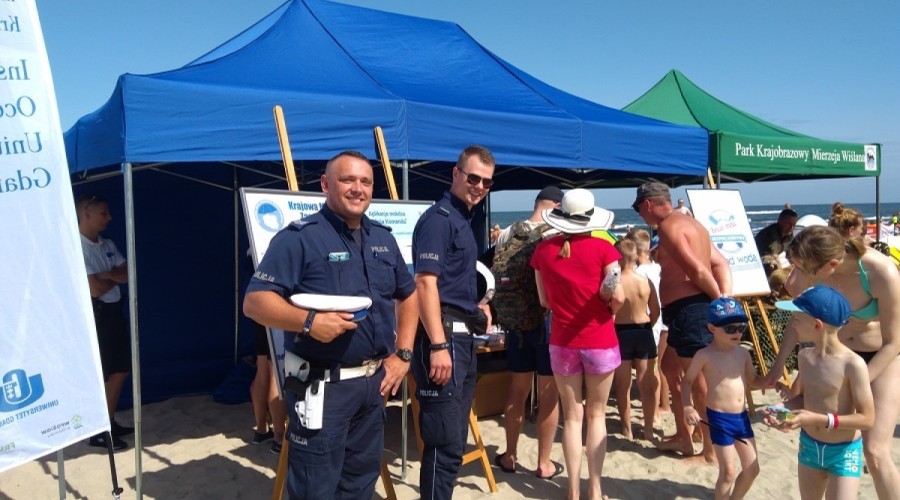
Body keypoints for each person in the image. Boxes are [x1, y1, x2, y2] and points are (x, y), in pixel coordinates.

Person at [243, 151, 418, 499]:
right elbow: (255, 302)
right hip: (323, 390)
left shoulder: (383, 238)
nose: (358, 188)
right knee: (315, 489)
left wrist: (404, 354)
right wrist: (308, 322)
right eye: (347, 180)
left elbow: (409, 295)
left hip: (373, 386)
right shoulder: (300, 238)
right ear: (325, 184)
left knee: (359, 483)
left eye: (365, 181)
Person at [765, 225, 900, 499]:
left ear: (832, 264)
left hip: (879, 357)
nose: (796, 278)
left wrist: (856, 382)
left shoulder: (881, 272)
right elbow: (799, 318)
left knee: (875, 450)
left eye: (802, 270)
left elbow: (894, 342)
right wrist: (777, 366)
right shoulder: (812, 269)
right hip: (830, 355)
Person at [410, 145, 495, 499]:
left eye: (486, 182)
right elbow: (424, 283)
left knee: (452, 444)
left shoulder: (461, 219)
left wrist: (477, 308)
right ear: (455, 174)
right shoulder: (439, 219)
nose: (478, 186)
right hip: (442, 339)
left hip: (461, 339)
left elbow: (451, 283)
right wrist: (439, 345)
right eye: (473, 177)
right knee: (443, 444)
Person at [531, 188, 623, 500]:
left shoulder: (543, 252)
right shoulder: (605, 250)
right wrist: (608, 307)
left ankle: (572, 491)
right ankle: (595, 491)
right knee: (596, 416)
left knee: (572, 417)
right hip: (600, 338)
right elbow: (616, 292)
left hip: (562, 339)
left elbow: (544, 300)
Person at [631, 182, 731, 464]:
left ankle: (709, 452)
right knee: (669, 368)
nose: (641, 216)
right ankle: (684, 435)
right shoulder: (694, 225)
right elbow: (721, 263)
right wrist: (724, 294)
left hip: (692, 309)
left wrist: (721, 304)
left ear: (648, 204)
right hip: (684, 311)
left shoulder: (668, 227)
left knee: (697, 382)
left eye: (640, 210)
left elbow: (697, 269)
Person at [765, 286, 875, 500]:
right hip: (810, 446)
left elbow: (867, 418)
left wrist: (818, 419)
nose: (793, 321)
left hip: (844, 452)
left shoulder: (853, 364)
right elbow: (805, 399)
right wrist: (782, 409)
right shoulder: (805, 357)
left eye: (797, 316)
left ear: (817, 325)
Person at [492, 185, 563, 480]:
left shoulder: (507, 233)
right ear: (557, 206)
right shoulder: (557, 234)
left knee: (517, 390)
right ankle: (544, 463)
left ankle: (509, 455)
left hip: (515, 323)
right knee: (548, 395)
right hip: (547, 324)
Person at [682, 297, 762, 500]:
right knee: (728, 473)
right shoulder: (705, 354)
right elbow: (687, 381)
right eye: (730, 328)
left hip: (741, 419)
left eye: (740, 327)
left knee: (753, 469)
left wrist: (773, 382)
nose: (737, 332)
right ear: (712, 328)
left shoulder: (743, 353)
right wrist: (687, 406)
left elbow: (754, 381)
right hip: (719, 419)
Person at [77, 194, 133, 451]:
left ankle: (108, 421)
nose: (109, 218)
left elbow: (128, 271)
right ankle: (96, 430)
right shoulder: (76, 247)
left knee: (120, 370)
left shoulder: (106, 243)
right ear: (86, 213)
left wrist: (107, 275)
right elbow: (94, 289)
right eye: (103, 213)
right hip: (95, 314)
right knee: (101, 373)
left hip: (113, 312)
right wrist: (113, 277)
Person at [612, 238, 660, 441]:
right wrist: (648, 325)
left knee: (623, 386)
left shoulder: (615, 280)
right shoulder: (645, 281)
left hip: (621, 332)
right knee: (646, 383)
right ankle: (648, 428)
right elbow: (656, 310)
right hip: (644, 330)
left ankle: (626, 427)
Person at [626, 229, 670, 416]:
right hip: (664, 320)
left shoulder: (638, 272)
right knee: (662, 365)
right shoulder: (659, 268)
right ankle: (664, 405)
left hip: (648, 321)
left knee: (651, 369)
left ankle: (654, 408)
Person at [249, 320, 287, 454]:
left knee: (262, 368)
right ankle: (279, 437)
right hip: (276, 310)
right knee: (276, 373)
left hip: (260, 309)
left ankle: (261, 429)